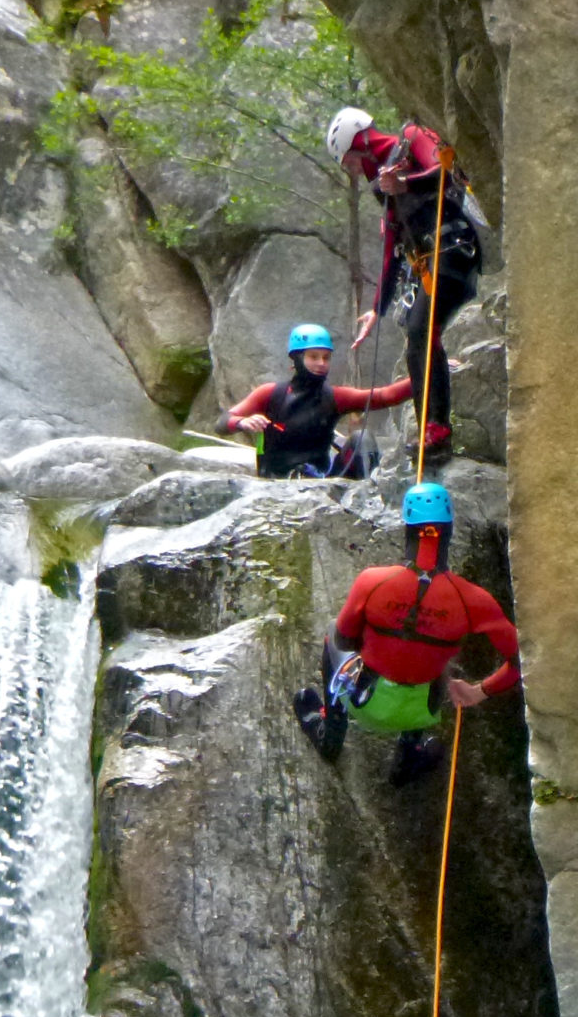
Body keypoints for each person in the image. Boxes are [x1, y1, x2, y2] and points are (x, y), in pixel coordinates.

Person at [293, 481, 520, 785]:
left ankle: (330, 737)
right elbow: (524, 661)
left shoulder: (372, 581)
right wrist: (480, 690)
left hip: (365, 701)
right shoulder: (474, 601)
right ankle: (408, 754)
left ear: (408, 529)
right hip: (422, 709)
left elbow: (345, 637)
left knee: (334, 630)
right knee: (443, 655)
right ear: (449, 531)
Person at [326, 107, 483, 473]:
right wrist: (375, 309)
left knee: (420, 331)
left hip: (455, 249)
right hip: (432, 263)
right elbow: (391, 247)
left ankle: (438, 428)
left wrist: (407, 184)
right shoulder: (385, 186)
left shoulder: (413, 136)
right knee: (415, 335)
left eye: (350, 162)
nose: (354, 171)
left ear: (360, 142)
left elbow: (447, 168)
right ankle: (432, 427)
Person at [221, 323, 414, 479]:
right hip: (276, 481)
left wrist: (428, 376)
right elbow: (222, 422)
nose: (321, 363)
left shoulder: (335, 397)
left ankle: (366, 498)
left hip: (322, 478)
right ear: (297, 358)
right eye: (313, 357)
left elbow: (384, 396)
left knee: (362, 439)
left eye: (326, 357)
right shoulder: (271, 393)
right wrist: (241, 422)